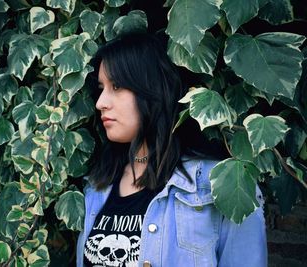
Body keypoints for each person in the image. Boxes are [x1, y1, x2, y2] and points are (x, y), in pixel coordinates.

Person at [76, 32, 267, 267]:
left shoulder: (221, 184)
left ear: (152, 89)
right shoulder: (97, 186)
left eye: (116, 86)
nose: (100, 102)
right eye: (101, 88)